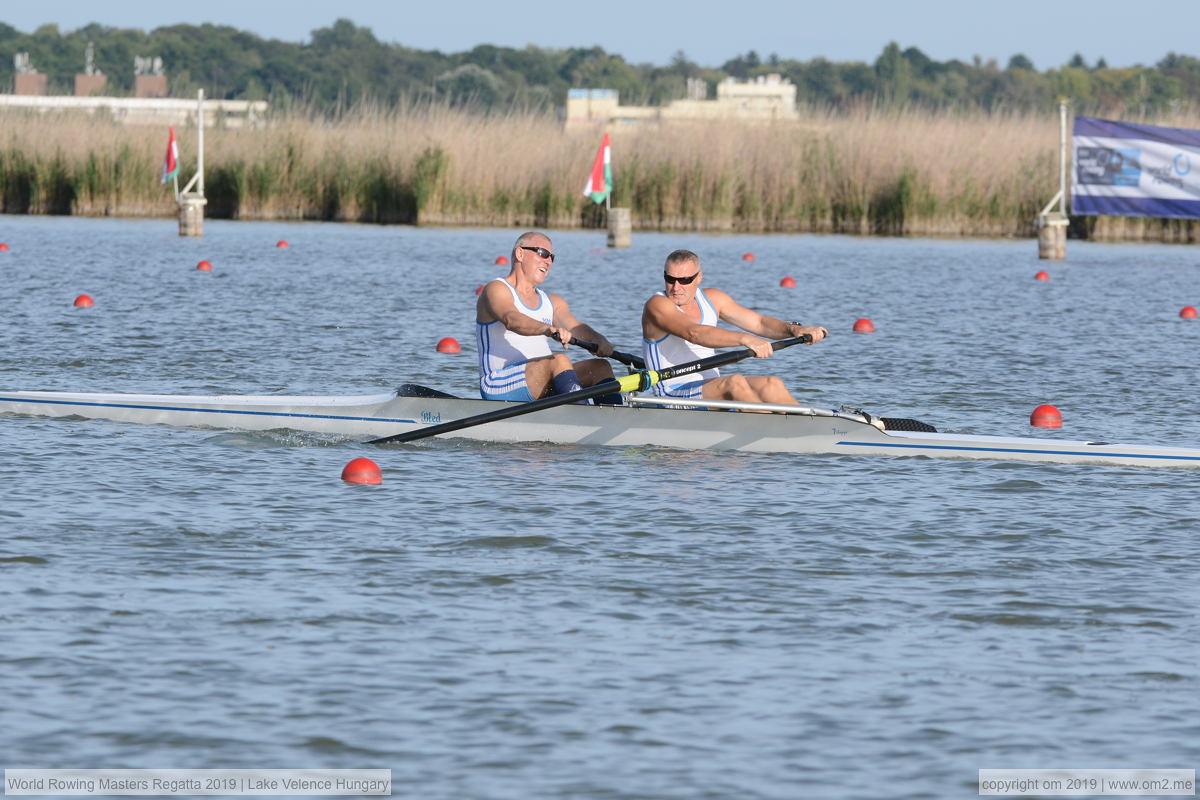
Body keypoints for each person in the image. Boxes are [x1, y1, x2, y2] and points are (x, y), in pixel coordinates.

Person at [641, 249, 827, 404]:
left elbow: (759, 323)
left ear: (699, 278)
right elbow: (694, 333)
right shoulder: (657, 305)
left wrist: (794, 329)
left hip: (709, 386)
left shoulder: (714, 298)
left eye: (684, 280)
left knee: (772, 384)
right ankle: (770, 434)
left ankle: (815, 431)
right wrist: (745, 339)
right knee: (734, 382)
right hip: (671, 393)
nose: (676, 287)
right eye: (670, 278)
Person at [477, 231, 621, 403]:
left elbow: (576, 328)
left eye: (552, 257)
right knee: (559, 360)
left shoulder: (552, 301)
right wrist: (547, 329)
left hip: (539, 380)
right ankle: (582, 421)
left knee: (600, 368)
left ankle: (612, 421)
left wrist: (599, 340)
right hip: (498, 383)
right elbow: (512, 319)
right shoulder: (496, 289)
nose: (549, 261)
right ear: (520, 253)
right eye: (542, 253)